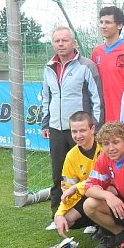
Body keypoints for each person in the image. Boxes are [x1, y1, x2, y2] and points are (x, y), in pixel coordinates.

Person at [41, 26, 103, 230]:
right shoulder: (49, 66)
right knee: (59, 173)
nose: (60, 44)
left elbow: (97, 99)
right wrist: (45, 122)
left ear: (73, 43)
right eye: (57, 41)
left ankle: (91, 219)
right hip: (56, 128)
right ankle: (57, 215)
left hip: (80, 129)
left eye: (64, 40)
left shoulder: (87, 66)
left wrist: (97, 127)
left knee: (89, 175)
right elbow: (46, 97)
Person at [52, 111, 101, 238]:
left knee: (96, 198)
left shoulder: (105, 147)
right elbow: (68, 189)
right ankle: (98, 224)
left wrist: (78, 187)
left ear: (92, 129)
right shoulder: (71, 156)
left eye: (82, 130)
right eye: (74, 131)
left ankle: (112, 231)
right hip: (86, 195)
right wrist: (59, 214)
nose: (78, 135)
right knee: (67, 219)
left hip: (109, 193)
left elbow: (106, 181)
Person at [91, 6, 124, 134]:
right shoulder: (97, 52)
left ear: (119, 25)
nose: (103, 26)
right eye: (101, 22)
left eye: (108, 22)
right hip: (103, 116)